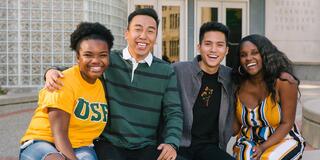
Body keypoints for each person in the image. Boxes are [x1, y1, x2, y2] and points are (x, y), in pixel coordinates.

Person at [44, 8, 183, 160]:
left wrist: (171, 143)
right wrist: (52, 71)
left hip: (146, 146)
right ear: (126, 33)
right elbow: (81, 70)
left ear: (156, 37)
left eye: (150, 31)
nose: (143, 36)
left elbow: (174, 112)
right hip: (109, 144)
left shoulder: (165, 70)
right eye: (138, 29)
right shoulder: (108, 59)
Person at [19, 22, 114, 160]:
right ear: (78, 57)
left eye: (102, 55)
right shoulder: (62, 82)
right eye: (88, 55)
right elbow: (60, 136)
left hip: (81, 146)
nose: (96, 60)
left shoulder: (102, 84)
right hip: (43, 142)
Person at [232, 34, 305, 159]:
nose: (248, 58)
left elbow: (287, 123)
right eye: (243, 55)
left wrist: (263, 147)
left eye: (255, 53)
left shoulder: (283, 82)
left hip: (282, 138)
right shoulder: (236, 85)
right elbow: (235, 127)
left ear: (265, 55)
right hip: (248, 140)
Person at [173, 22, 235, 160]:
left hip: (209, 148)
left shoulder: (231, 77)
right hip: (178, 145)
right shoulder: (178, 71)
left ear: (226, 50)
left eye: (219, 45)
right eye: (208, 44)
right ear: (199, 47)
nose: (213, 50)